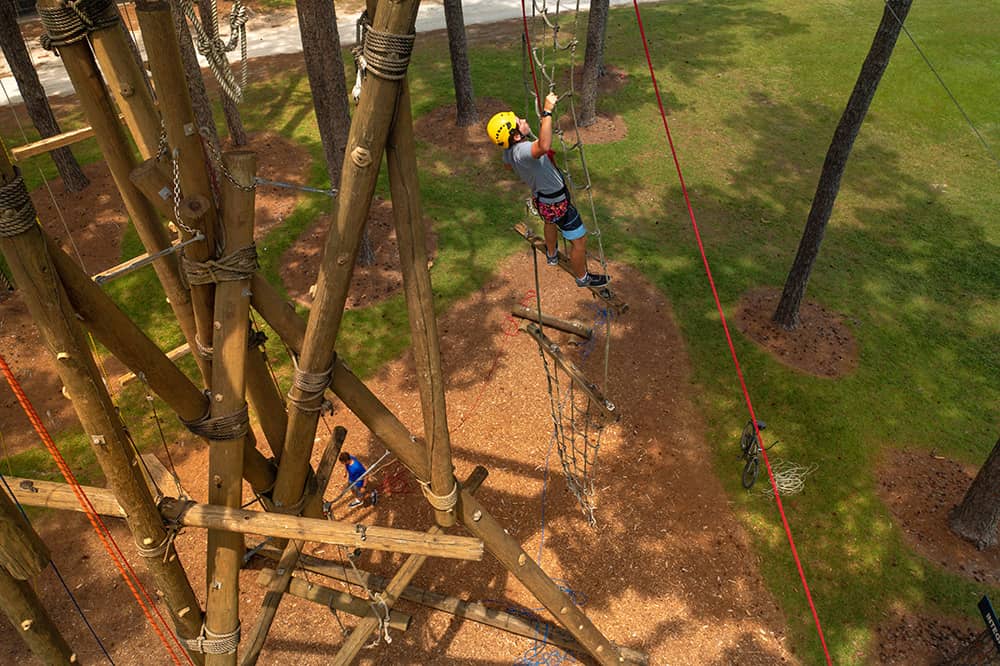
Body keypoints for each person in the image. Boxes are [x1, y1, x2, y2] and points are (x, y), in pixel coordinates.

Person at [487, 93, 609, 288]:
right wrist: (547, 111)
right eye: (519, 121)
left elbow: (509, 166)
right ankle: (583, 278)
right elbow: (543, 146)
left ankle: (552, 255)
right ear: (516, 136)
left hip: (542, 200)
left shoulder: (509, 153)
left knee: (549, 222)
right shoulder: (524, 151)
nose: (523, 119)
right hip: (557, 201)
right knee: (579, 241)